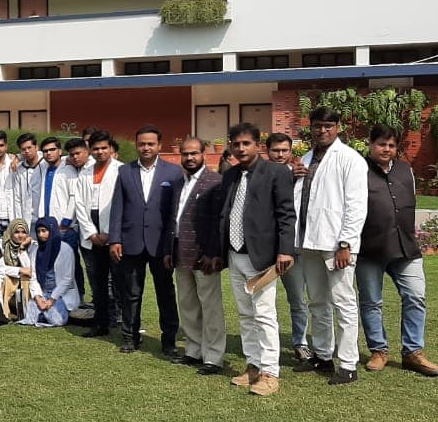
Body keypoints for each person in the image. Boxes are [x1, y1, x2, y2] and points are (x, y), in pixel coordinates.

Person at [220, 123, 297, 397]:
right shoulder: (230, 174)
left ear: (258, 145)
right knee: (245, 314)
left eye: (246, 143)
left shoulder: (276, 172)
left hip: (262, 256)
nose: (241, 148)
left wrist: (285, 250)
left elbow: (287, 214)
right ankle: (253, 366)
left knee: (264, 314)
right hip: (235, 254)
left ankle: (270, 372)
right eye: (236, 144)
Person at [292, 107, 368, 386]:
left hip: (337, 244)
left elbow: (356, 206)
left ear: (338, 127)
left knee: (343, 302)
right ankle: (323, 355)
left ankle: (348, 364)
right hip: (309, 241)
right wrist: (292, 176)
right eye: (317, 126)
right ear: (310, 127)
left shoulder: (350, 159)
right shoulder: (306, 158)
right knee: (317, 302)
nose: (322, 131)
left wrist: (346, 243)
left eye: (328, 126)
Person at [357, 125, 438, 376]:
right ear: (371, 144)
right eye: (381, 144)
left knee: (416, 296)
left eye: (391, 145)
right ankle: (378, 351)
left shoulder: (405, 170)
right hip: (369, 249)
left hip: (406, 248)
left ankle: (413, 352)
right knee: (371, 302)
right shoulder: (358, 170)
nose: (386, 149)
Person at [109, 125, 186, 356]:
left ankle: (169, 340)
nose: (146, 148)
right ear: (136, 145)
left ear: (159, 146)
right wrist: (115, 239)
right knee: (131, 293)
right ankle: (130, 337)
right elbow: (117, 207)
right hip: (131, 241)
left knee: (166, 293)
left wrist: (172, 244)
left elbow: (175, 211)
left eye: (150, 144)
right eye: (142, 143)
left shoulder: (173, 173)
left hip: (161, 244)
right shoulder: (125, 171)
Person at [171, 137, 227, 374]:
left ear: (204, 154)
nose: (189, 158)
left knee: (210, 308)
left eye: (194, 153)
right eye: (185, 154)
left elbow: (218, 222)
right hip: (180, 253)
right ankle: (193, 350)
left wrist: (213, 252)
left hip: (204, 257)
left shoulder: (215, 182)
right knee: (188, 306)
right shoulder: (178, 183)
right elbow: (173, 219)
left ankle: (213, 357)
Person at [266, 132, 313, 361]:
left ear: (291, 152)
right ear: (267, 151)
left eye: (284, 150)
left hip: (291, 249)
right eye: (276, 150)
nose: (280, 154)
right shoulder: (260, 174)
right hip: (264, 249)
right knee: (262, 301)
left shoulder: (299, 173)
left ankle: (300, 342)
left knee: (298, 299)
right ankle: (264, 344)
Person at [73, 130, 123, 338]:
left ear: (111, 148)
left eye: (104, 148)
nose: (100, 152)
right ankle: (100, 323)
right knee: (97, 282)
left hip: (114, 233)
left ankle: (125, 324)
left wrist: (110, 233)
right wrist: (92, 233)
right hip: (91, 234)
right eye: (96, 148)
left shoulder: (121, 170)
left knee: (120, 281)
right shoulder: (85, 173)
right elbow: (79, 204)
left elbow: (123, 205)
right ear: (90, 150)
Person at [20, 217, 77, 327]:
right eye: (38, 231)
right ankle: (44, 312)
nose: (41, 235)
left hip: (59, 294)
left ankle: (49, 312)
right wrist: (38, 298)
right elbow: (33, 276)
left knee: (59, 320)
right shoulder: (36, 249)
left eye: (44, 231)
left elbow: (67, 279)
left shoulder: (65, 249)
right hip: (42, 292)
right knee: (30, 317)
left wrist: (51, 301)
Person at [55, 137, 88, 301]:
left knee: (84, 265)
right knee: (68, 263)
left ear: (87, 151)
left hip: (85, 225)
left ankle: (82, 297)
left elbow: (74, 197)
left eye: (78, 153)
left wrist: (66, 221)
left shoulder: (91, 167)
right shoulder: (71, 167)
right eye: (72, 154)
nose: (75, 157)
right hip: (77, 226)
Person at [0, 218, 41, 321]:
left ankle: (24, 311)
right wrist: (19, 270)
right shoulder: (3, 244)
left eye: (23, 232)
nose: (20, 235)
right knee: (5, 279)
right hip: (10, 281)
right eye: (17, 232)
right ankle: (5, 312)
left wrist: (22, 249)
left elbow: (29, 270)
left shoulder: (33, 246)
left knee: (26, 278)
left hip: (25, 282)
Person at [11, 133, 43, 225]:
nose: (27, 151)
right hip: (27, 218)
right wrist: (19, 222)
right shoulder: (19, 169)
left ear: (36, 147)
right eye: (23, 149)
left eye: (29, 147)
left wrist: (18, 157)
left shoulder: (45, 164)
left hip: (44, 217)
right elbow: (17, 197)